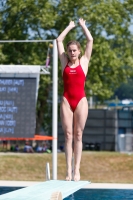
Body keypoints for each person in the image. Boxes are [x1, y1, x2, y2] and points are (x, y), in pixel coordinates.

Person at [56, 18, 93, 181]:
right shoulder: (63, 61)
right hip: (66, 100)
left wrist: (83, 26)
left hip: (80, 101)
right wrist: (69, 26)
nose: (71, 53)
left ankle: (77, 169)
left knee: (78, 134)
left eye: (74, 50)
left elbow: (90, 40)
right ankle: (68, 171)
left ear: (78, 51)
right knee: (68, 135)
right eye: (69, 50)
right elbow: (58, 40)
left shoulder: (84, 61)